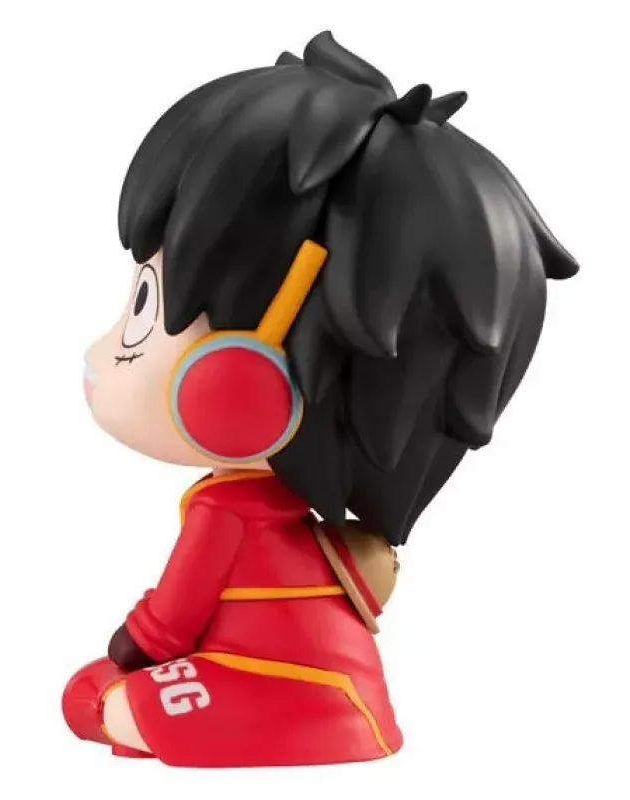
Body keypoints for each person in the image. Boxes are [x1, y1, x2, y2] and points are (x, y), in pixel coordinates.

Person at [62, 30, 578, 768]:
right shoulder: (271, 510)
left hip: (285, 689)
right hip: (330, 687)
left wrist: (132, 649)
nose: (102, 352)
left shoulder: (227, 510)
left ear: (249, 374)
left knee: (97, 698)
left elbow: (168, 623)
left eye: (145, 310)